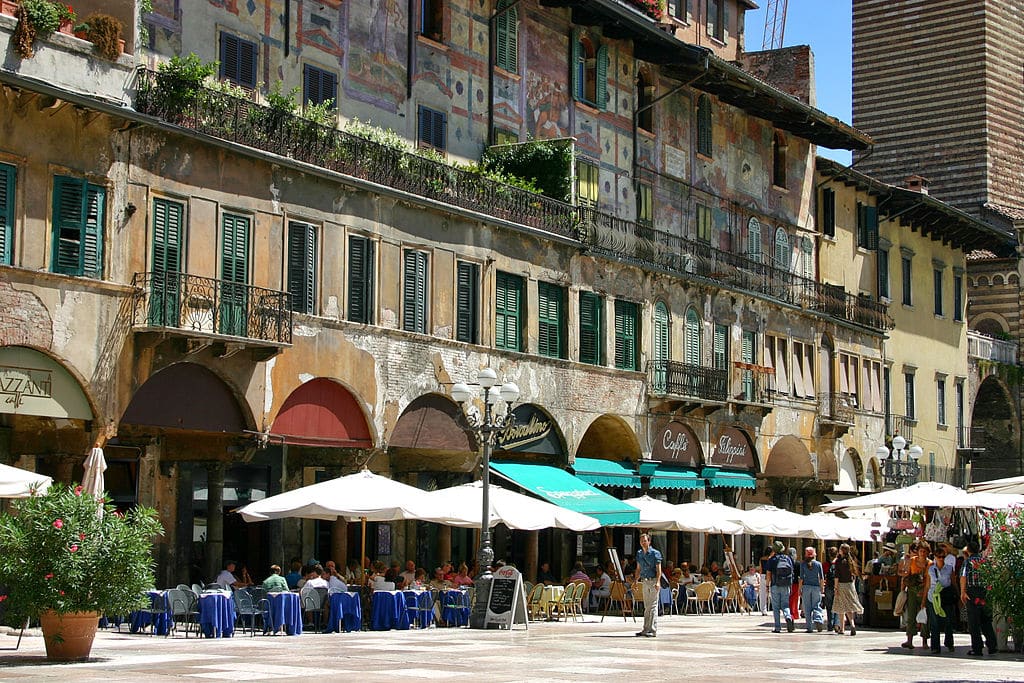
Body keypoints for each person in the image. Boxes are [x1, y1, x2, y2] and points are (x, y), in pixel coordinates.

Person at [961, 538, 997, 656]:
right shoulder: (984, 560)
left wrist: (963, 592)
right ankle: (992, 645)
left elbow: (963, 576)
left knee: (974, 621)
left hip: (972, 592)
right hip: (984, 592)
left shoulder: (967, 562)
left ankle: (977, 648)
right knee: (986, 619)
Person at [923, 542, 955, 654]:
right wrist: (923, 602)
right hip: (933, 597)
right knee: (934, 623)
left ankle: (949, 642)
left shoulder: (949, 568)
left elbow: (953, 583)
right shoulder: (930, 569)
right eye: (939, 557)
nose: (941, 559)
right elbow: (927, 585)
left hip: (946, 596)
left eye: (943, 557)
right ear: (935, 557)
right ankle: (935, 646)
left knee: (948, 621)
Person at [900, 541, 931, 649]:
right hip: (912, 590)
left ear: (927, 553)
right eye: (921, 551)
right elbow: (906, 574)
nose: (922, 553)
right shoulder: (912, 561)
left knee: (924, 616)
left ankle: (925, 641)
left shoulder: (929, 563)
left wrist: (924, 595)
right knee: (911, 615)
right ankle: (909, 640)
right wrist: (903, 588)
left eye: (924, 551)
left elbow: (928, 581)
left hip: (924, 590)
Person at [832, 543, 864, 636]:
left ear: (841, 550)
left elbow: (837, 576)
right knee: (849, 606)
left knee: (841, 606)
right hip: (850, 585)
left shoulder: (838, 561)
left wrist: (836, 587)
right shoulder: (851, 560)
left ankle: (842, 628)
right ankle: (852, 624)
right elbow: (853, 574)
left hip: (841, 585)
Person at [634, 533, 662, 638]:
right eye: (641, 541)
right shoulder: (639, 553)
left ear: (649, 542)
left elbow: (659, 569)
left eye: (645, 541)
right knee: (647, 606)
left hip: (653, 580)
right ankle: (646, 628)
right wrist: (636, 581)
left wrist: (658, 581)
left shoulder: (655, 553)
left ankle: (653, 629)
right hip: (645, 581)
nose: (643, 543)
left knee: (653, 606)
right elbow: (638, 568)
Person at [766, 540, 795, 633]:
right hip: (786, 585)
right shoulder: (788, 558)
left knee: (776, 607)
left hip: (775, 584)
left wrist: (767, 585)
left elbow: (768, 574)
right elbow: (791, 572)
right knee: (785, 605)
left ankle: (777, 627)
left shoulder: (772, 560)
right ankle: (788, 616)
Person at [798, 547, 825, 633]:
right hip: (816, 587)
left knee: (807, 608)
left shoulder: (803, 564)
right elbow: (821, 578)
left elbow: (801, 578)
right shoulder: (818, 564)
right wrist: (822, 588)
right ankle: (818, 619)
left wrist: (799, 589)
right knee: (816, 605)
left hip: (806, 587)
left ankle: (809, 627)